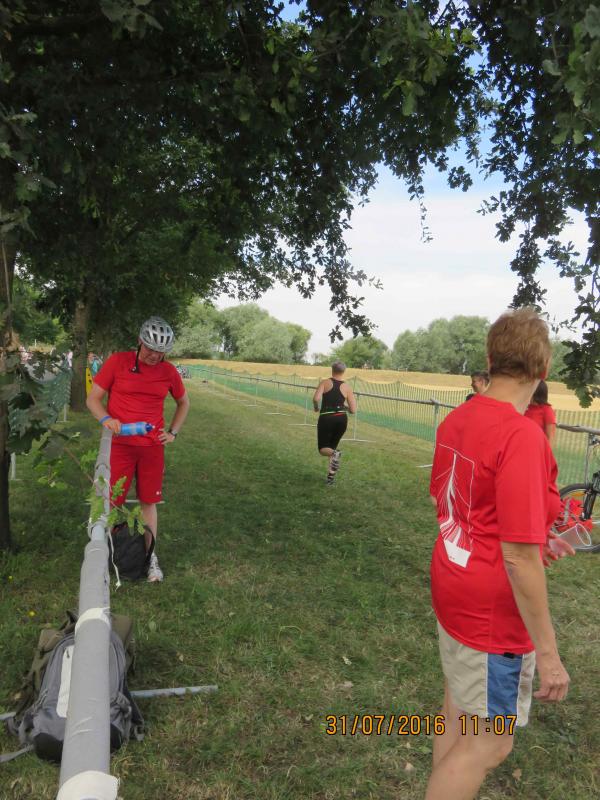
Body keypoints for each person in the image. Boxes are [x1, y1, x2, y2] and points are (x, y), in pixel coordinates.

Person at [426, 309, 573, 800]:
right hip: (491, 612)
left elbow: (458, 505)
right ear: (543, 369)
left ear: (490, 360)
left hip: (452, 582)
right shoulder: (521, 436)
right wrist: (549, 656)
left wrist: (533, 538)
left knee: (457, 712)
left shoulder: (459, 418)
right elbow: (518, 558)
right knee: (489, 742)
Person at [86, 317, 190, 582]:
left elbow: (183, 402)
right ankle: (108, 554)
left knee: (148, 502)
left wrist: (173, 432)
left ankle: (150, 557)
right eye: (150, 349)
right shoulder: (118, 361)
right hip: (119, 446)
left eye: (160, 352)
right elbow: (93, 399)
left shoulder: (169, 372)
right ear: (140, 342)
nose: (154, 355)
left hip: (152, 448)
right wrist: (105, 419)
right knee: (111, 501)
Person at [312, 361, 356, 485]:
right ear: (343, 371)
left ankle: (335, 453)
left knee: (323, 449)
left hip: (327, 418)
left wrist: (316, 407)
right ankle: (330, 479)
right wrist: (343, 407)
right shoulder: (347, 387)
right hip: (341, 419)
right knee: (331, 448)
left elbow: (316, 398)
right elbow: (353, 410)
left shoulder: (325, 382)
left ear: (332, 369)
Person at [525, 379, 557, 447]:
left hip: (538, 448)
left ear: (536, 393)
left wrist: (546, 453)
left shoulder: (546, 410)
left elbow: (551, 437)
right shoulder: (524, 407)